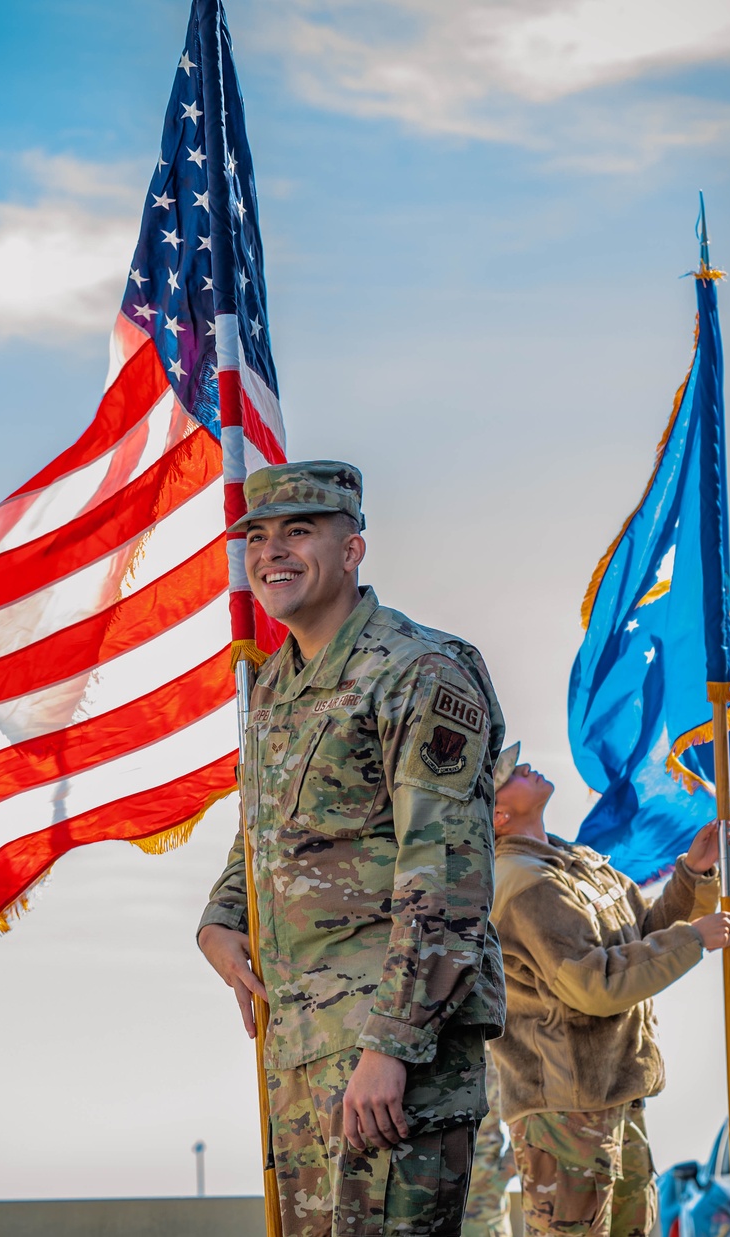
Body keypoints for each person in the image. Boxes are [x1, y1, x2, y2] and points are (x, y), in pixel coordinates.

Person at [197, 461, 506, 1237]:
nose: (274, 552)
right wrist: (219, 918)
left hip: (395, 1055)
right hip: (302, 1049)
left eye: (299, 531)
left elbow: (448, 875)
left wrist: (393, 1047)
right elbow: (264, 833)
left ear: (352, 548)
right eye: (257, 536)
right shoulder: (274, 688)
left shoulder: (419, 670)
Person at [488, 743, 730, 1237]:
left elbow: (640, 934)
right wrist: (693, 938)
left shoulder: (574, 861)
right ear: (497, 814)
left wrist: (693, 874)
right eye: (508, 773)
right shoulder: (523, 883)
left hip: (613, 1100)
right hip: (565, 1114)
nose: (523, 765)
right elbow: (596, 985)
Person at [460, 1055, 515, 1237]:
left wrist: (501, 1176)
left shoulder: (491, 1061)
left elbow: (518, 1116)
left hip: (484, 1203)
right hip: (439, 1189)